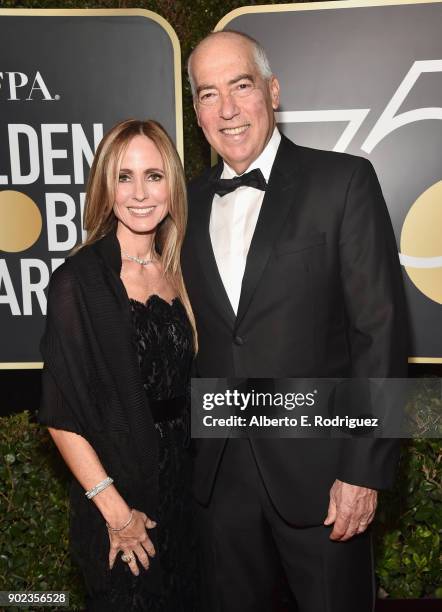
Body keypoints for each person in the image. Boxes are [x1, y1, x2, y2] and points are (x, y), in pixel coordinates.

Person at [182, 30, 408, 612]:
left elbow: (379, 336)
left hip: (324, 477)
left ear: (273, 91)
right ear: (197, 111)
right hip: (219, 481)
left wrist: (364, 469)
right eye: (208, 94)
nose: (227, 109)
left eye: (241, 86)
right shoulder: (184, 203)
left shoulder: (343, 182)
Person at [38, 119, 197, 611]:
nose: (140, 193)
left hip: (187, 496)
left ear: (172, 183)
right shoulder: (80, 280)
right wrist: (115, 511)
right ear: (105, 187)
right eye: (124, 177)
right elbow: (62, 416)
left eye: (154, 175)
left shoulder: (179, 270)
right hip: (124, 500)